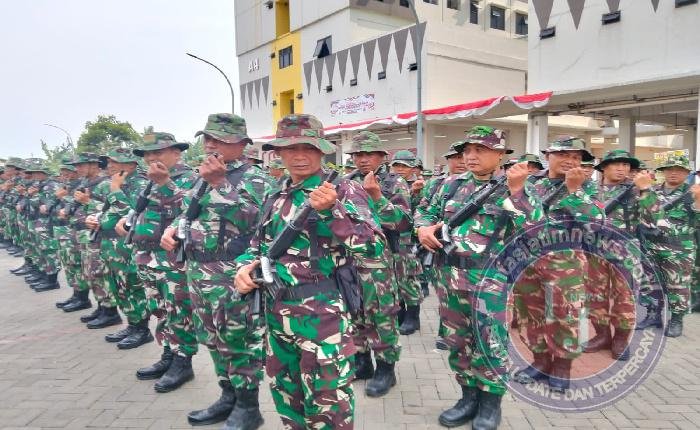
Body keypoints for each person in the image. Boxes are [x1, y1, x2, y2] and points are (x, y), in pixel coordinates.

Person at [235, 114, 386, 429]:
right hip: (277, 313)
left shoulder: (343, 190)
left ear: (321, 150)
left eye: (308, 148)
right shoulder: (276, 193)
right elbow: (259, 245)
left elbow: (374, 248)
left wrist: (333, 211)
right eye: (291, 148)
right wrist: (244, 267)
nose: (299, 156)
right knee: (287, 397)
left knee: (328, 404)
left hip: (322, 315)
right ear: (279, 152)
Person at [416, 125, 541, 429]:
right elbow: (425, 211)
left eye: (480, 150)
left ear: (500, 155)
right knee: (457, 340)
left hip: (491, 280)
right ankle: (467, 397)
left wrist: (517, 192)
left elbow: (535, 231)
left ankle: (490, 403)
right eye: (467, 150)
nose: (471, 156)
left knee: (490, 342)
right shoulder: (449, 185)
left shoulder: (517, 188)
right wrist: (423, 228)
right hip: (449, 277)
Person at [161, 114, 270, 428]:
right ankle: (228, 396)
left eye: (219, 139)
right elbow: (188, 211)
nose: (210, 144)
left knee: (238, 339)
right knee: (213, 337)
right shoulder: (203, 175)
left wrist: (220, 184)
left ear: (241, 143)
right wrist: (172, 229)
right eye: (207, 138)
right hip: (198, 271)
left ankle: (248, 406)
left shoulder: (255, 178)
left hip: (231, 273)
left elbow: (256, 221)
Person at [513, 136, 603, 393]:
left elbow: (597, 223)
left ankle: (562, 367)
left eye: (576, 157)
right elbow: (515, 213)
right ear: (548, 156)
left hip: (566, 262)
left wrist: (574, 191)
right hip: (528, 259)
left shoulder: (587, 186)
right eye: (563, 154)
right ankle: (540, 362)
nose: (570, 161)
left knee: (565, 315)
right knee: (531, 314)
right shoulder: (531, 183)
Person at [117, 132, 199, 392]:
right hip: (147, 257)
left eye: (158, 152)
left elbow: (190, 211)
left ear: (176, 152)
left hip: (172, 259)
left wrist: (165, 183)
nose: (152, 158)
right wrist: (127, 221)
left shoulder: (191, 179)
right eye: (147, 154)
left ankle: (183, 362)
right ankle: (168, 354)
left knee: (178, 311)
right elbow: (141, 209)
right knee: (160, 309)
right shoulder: (149, 181)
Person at [345, 130, 407, 397]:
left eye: (369, 154)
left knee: (381, 314)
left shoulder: (394, 183)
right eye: (358, 154)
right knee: (354, 311)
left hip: (379, 261)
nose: (363, 159)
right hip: (349, 260)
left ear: (382, 156)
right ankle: (361, 361)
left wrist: (378, 197)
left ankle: (385, 368)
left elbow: (403, 223)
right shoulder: (345, 182)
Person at [583, 150, 659, 360]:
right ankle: (602, 336)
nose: (621, 168)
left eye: (626, 165)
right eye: (616, 164)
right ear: (603, 168)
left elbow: (654, 219)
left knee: (625, 298)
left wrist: (645, 190)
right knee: (594, 296)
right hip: (595, 250)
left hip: (625, 251)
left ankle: (620, 340)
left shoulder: (635, 190)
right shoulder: (589, 190)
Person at [88, 148, 153, 349]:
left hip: (127, 246)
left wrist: (115, 189)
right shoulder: (118, 183)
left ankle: (142, 329)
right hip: (111, 245)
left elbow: (131, 214)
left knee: (132, 287)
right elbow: (111, 213)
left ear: (130, 165)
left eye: (114, 162)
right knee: (119, 287)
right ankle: (132, 324)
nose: (109, 166)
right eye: (108, 162)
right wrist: (97, 219)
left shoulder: (139, 184)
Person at [640, 155, 700, 337]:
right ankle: (653, 315)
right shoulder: (652, 190)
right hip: (651, 246)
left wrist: (698, 202)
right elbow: (644, 214)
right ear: (663, 171)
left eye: (679, 170)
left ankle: (676, 319)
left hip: (679, 250)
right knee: (651, 283)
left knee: (678, 287)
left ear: (687, 173)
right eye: (670, 169)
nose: (674, 173)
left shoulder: (693, 192)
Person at [389, 150, 424, 334]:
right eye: (397, 165)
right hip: (390, 238)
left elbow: (420, 212)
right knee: (393, 279)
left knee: (408, 278)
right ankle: (400, 313)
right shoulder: (388, 183)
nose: (400, 169)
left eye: (404, 166)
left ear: (413, 168)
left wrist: (415, 193)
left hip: (407, 240)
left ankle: (413, 317)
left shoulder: (422, 186)